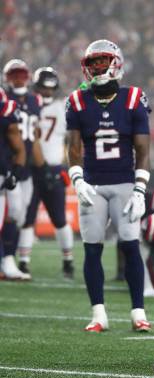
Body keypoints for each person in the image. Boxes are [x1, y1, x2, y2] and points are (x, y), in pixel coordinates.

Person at [66, 39, 152, 332]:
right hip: (92, 185)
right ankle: (98, 313)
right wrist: (77, 179)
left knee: (130, 246)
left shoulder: (133, 98)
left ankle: (138, 313)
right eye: (93, 63)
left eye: (102, 61)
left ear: (116, 63)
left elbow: (143, 150)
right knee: (92, 249)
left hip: (125, 183)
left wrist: (140, 189)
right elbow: (74, 147)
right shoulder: (77, 100)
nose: (97, 67)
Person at [17, 67, 74, 279]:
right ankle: (24, 262)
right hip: (40, 167)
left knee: (56, 218)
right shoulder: (62, 107)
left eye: (48, 89)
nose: (46, 93)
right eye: (44, 89)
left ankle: (66, 262)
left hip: (47, 168)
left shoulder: (31, 106)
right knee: (28, 217)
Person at [1, 59, 45, 280]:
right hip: (8, 163)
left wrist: (42, 166)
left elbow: (35, 136)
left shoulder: (36, 100)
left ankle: (9, 259)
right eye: (14, 74)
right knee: (11, 212)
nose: (18, 78)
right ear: (8, 77)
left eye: (21, 74)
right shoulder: (4, 98)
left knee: (19, 215)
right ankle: (7, 259)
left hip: (25, 164)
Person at [0, 97, 27, 279]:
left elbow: (19, 146)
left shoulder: (6, 108)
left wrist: (15, 172)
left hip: (1, 171)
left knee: (15, 214)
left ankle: (8, 259)